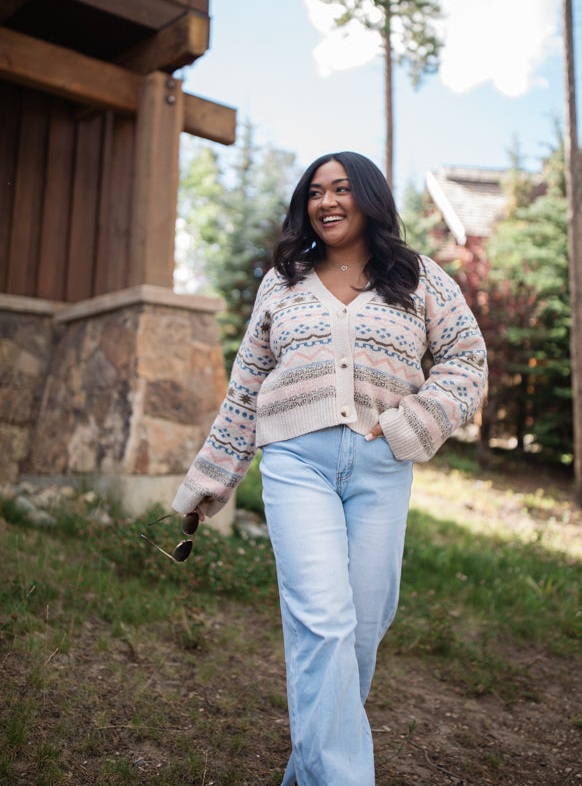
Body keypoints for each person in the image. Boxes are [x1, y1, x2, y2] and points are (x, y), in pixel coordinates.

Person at [172, 151, 488, 786]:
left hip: (381, 468)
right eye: (315, 192)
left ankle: (308, 772)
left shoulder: (419, 277)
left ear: (368, 198)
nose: (327, 202)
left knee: (362, 631)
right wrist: (210, 480)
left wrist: (410, 422)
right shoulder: (282, 281)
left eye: (342, 188)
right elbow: (246, 389)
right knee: (323, 621)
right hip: (297, 465)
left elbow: (467, 360)